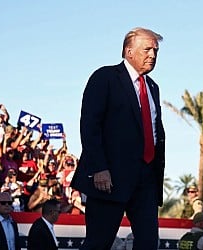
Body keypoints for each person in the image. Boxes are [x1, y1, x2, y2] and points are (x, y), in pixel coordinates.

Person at [70, 27, 166, 250]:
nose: (152, 55)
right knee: (98, 243)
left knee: (149, 243)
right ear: (129, 51)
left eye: (156, 50)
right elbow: (90, 125)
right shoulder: (105, 77)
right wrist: (99, 167)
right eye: (147, 49)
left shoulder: (153, 87)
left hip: (146, 179)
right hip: (109, 178)